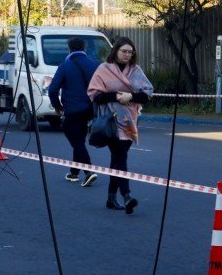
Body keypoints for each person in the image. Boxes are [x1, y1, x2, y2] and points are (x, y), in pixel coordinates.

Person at [87, 37, 153, 214]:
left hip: (129, 122)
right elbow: (95, 95)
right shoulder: (103, 69)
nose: (127, 55)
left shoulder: (136, 70)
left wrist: (131, 97)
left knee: (117, 159)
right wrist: (116, 96)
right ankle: (127, 196)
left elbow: (147, 94)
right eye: (124, 51)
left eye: (130, 52)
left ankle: (110, 198)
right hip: (111, 121)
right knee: (120, 157)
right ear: (115, 50)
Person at [48, 37, 99, 187]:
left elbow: (52, 89)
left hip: (72, 110)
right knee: (79, 140)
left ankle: (89, 171)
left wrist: (58, 106)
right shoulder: (94, 65)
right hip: (89, 110)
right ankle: (74, 173)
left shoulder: (65, 66)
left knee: (76, 140)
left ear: (69, 49)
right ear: (85, 48)